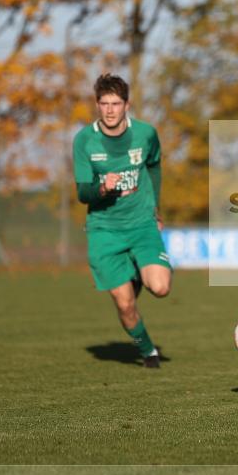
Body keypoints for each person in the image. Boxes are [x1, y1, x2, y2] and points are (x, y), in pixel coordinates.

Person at [73, 73, 172, 369]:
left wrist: (154, 208)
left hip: (142, 224)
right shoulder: (84, 140)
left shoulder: (146, 134)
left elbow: (154, 165)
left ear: (127, 104)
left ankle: (136, 274)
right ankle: (148, 351)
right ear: (97, 105)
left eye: (116, 103)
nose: (110, 110)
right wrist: (102, 187)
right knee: (126, 305)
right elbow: (82, 192)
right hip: (105, 231)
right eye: (104, 104)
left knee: (161, 288)